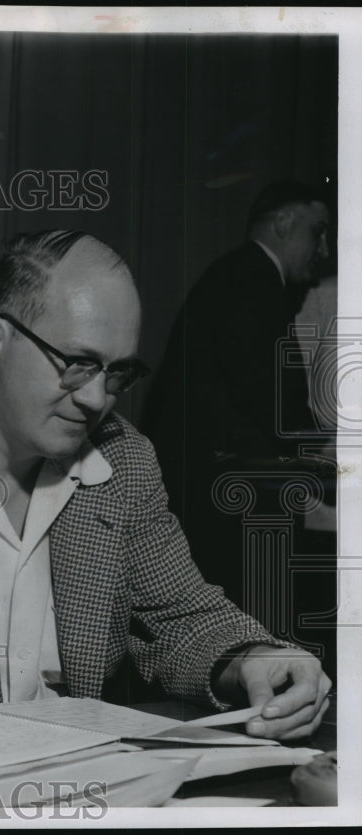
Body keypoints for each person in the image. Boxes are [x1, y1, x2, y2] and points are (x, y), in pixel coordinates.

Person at [0, 230, 331, 741]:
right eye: (77, 364)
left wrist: (252, 657)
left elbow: (179, 617)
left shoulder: (126, 460)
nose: (96, 399)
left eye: (118, 374)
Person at [142, 181, 336, 636]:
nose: (323, 248)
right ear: (283, 223)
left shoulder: (240, 276)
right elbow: (268, 399)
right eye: (318, 231)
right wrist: (324, 456)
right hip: (225, 503)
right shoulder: (252, 281)